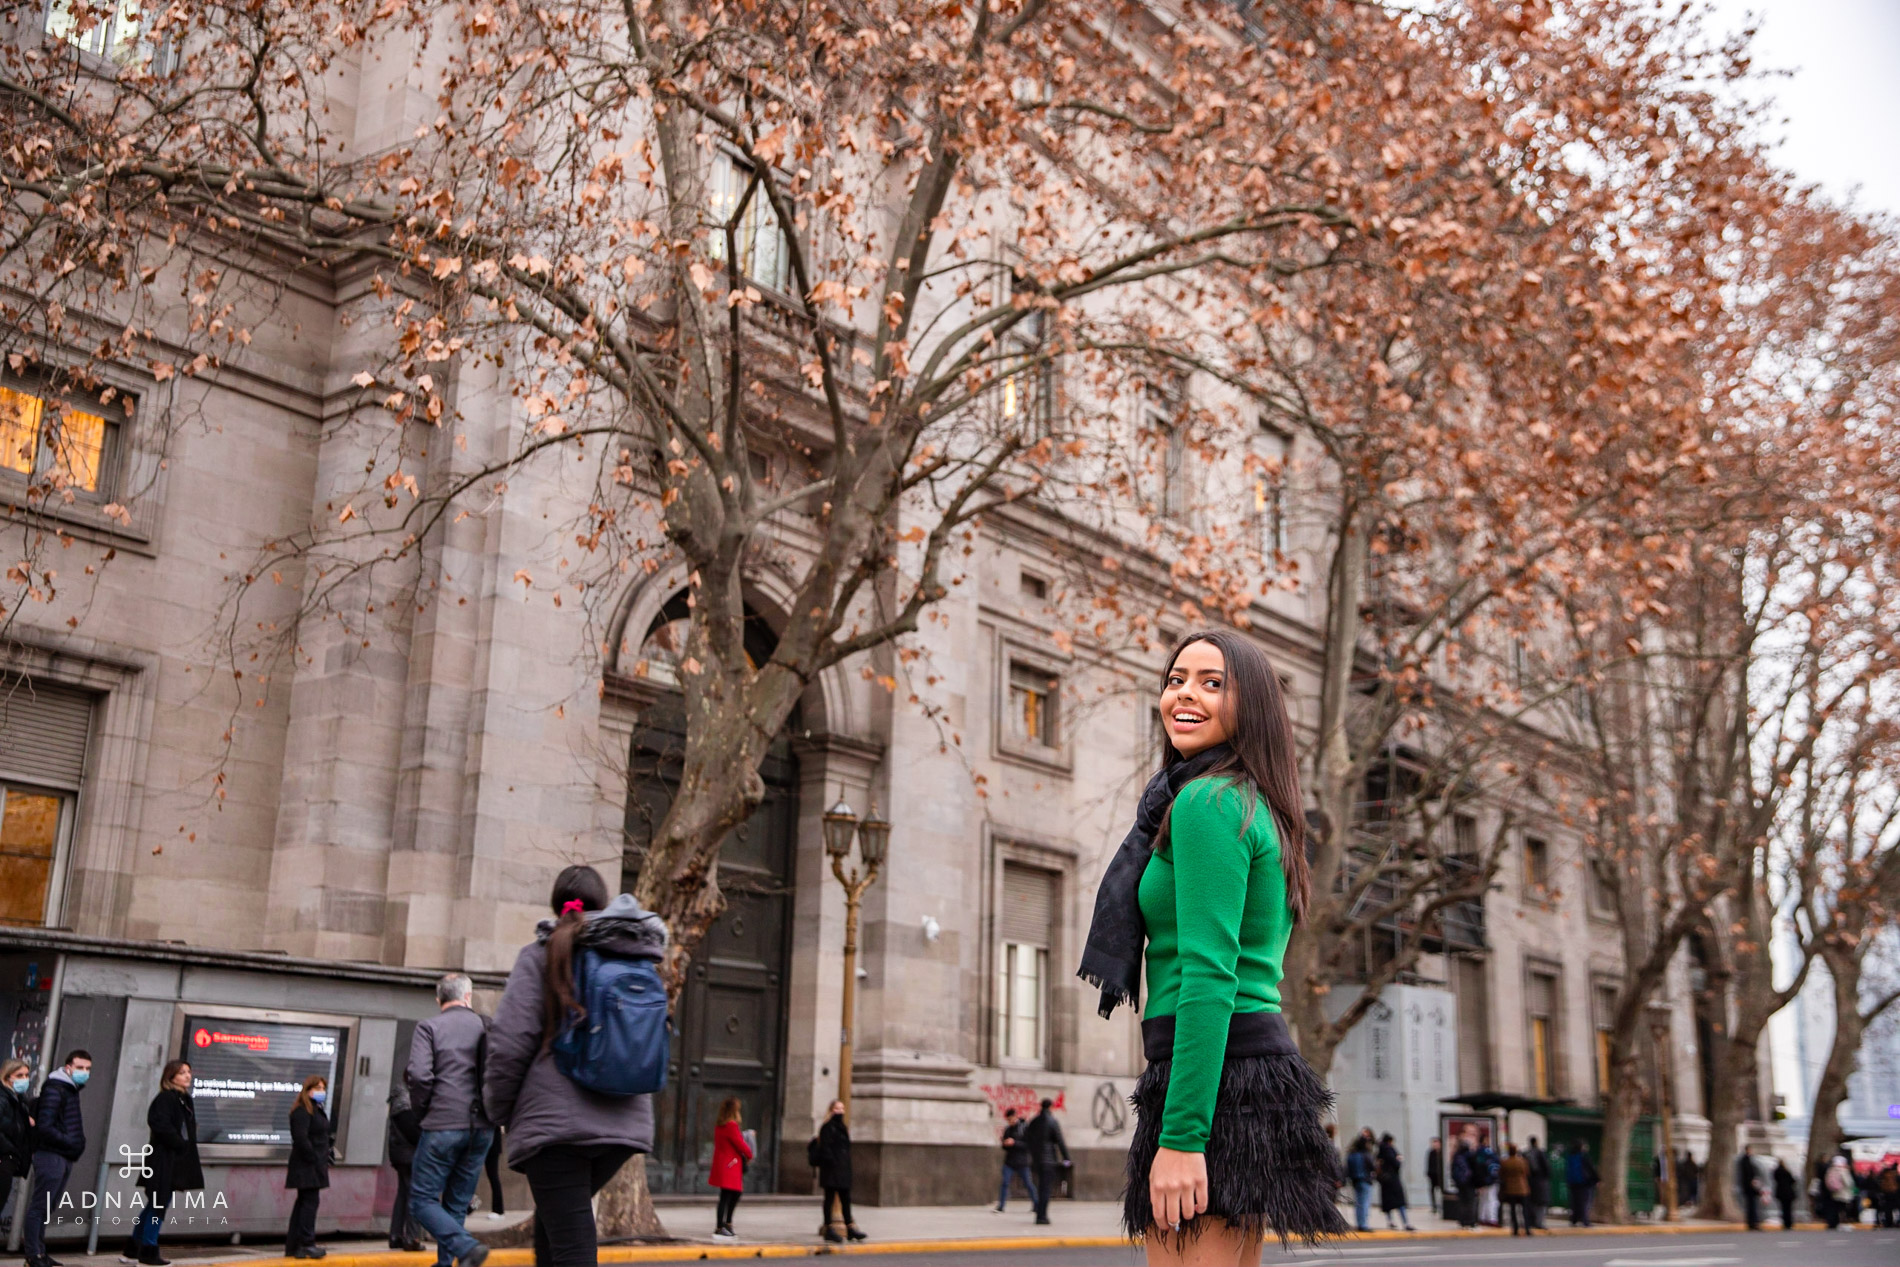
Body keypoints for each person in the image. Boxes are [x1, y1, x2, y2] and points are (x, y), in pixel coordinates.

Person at [1080, 631, 1347, 1262]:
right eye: (1175, 679)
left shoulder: (1206, 802)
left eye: (1211, 682)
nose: (1184, 695)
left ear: (1248, 704)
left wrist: (1182, 1135)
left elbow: (1208, 974)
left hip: (1214, 1079)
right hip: (1235, 1071)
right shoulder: (1248, 801)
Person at [484, 865, 666, 1267]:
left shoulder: (540, 955)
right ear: (604, 904)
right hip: (623, 1125)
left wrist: (498, 1109)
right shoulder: (635, 953)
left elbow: (510, 1043)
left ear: (556, 903)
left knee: (570, 1247)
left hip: (557, 1131)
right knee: (554, 1236)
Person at [407, 972, 495, 1267]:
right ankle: (448, 1263)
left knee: (421, 1200)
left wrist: (423, 1112)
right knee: (456, 1203)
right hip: (482, 1127)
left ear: (438, 999)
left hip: (442, 1124)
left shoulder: (429, 1027)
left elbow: (419, 1076)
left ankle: (465, 1246)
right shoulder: (485, 1025)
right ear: (467, 996)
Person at [120, 1060, 203, 1267]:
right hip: (162, 1160)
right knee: (158, 1205)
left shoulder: (184, 1099)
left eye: (188, 1072)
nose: (187, 1076)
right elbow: (160, 1125)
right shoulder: (166, 1098)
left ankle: (133, 1248)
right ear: (171, 1077)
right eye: (182, 1072)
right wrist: (179, 1143)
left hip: (174, 1161)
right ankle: (148, 1250)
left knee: (154, 1205)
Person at [25, 1049, 90, 1267]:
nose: (84, 1072)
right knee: (39, 1206)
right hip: (51, 1155)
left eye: (88, 1069)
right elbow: (45, 1126)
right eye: (80, 1068)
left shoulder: (70, 1089)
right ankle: (33, 1255)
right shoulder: (56, 1088)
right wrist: (70, 1142)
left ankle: (41, 1252)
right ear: (68, 1067)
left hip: (63, 1156)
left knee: (47, 1207)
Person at [286, 1075, 334, 1259]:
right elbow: (301, 1138)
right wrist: (314, 1157)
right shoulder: (302, 1111)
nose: (322, 1091)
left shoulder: (316, 1109)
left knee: (304, 1203)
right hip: (307, 1166)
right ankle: (306, 1242)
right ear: (308, 1090)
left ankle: (295, 1245)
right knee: (309, 1203)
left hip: (315, 1164)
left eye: (323, 1088)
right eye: (318, 1088)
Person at [812, 1100, 864, 1243]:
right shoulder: (827, 1127)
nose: (840, 1111)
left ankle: (850, 1227)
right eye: (837, 1108)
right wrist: (833, 1163)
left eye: (842, 1108)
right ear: (831, 1110)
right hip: (831, 1170)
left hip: (843, 1170)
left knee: (846, 1199)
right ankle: (828, 1228)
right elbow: (826, 1149)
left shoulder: (843, 1127)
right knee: (829, 1199)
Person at [386, 1076, 424, 1251]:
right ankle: (412, 1238)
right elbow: (413, 1133)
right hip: (409, 1155)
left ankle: (396, 1235)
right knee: (414, 1195)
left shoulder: (398, 1099)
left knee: (403, 1194)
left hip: (400, 1154)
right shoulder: (405, 1102)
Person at [708, 1097, 752, 1240]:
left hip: (724, 1164)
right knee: (730, 1195)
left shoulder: (719, 1125)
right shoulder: (731, 1126)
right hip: (730, 1165)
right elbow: (740, 1143)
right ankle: (723, 1225)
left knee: (727, 1195)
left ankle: (724, 1224)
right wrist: (749, 1154)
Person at [1024, 1099, 1071, 1227]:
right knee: (1046, 1188)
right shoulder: (1052, 1121)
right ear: (1050, 1107)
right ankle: (1042, 1216)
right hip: (1049, 1160)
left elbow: (1027, 1138)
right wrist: (1067, 1158)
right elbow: (1060, 1141)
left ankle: (1039, 1213)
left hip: (1037, 1160)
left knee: (1040, 1187)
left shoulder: (1034, 1121)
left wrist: (1033, 1153)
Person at [995, 1108, 1037, 1213]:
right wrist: (1005, 1143)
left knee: (1028, 1183)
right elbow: (1005, 1147)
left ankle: (1036, 1204)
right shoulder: (1008, 1129)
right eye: (1008, 1120)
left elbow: (1028, 1145)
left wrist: (1014, 1143)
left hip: (1022, 1162)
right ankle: (1001, 1206)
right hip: (1009, 1162)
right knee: (1005, 1183)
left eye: (1011, 1119)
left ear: (1015, 1116)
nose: (1010, 1121)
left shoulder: (1024, 1128)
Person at [1376, 1134, 1413, 1231]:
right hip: (1393, 1179)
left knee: (1388, 1202)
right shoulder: (1390, 1150)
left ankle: (1390, 1221)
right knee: (1400, 1202)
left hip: (1384, 1180)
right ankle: (1406, 1223)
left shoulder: (1380, 1151)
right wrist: (1399, 1160)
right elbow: (1396, 1163)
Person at [1499, 1143, 1530, 1236]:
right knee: (1525, 1210)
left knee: (1513, 1211)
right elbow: (1527, 1173)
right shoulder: (1522, 1161)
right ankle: (1527, 1228)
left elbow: (1501, 1174)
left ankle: (1515, 1228)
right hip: (1522, 1188)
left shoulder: (1505, 1162)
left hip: (1510, 1189)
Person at [1566, 1142, 1599, 1228]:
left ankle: (1574, 1220)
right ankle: (1585, 1220)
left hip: (1573, 1183)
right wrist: (1597, 1179)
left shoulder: (1571, 1156)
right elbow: (1591, 1168)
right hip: (1584, 1183)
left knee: (1575, 1202)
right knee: (1585, 1202)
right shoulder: (1584, 1156)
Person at [1345, 1137, 1374, 1231]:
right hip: (1365, 1179)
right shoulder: (1365, 1154)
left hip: (1355, 1181)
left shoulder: (1351, 1155)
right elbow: (1372, 1166)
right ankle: (1364, 1224)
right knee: (1365, 1203)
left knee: (1358, 1203)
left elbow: (1347, 1169)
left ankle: (1360, 1223)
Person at [1523, 1136, 1550, 1231]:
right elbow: (1547, 1168)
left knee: (1531, 1203)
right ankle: (1539, 1222)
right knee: (1541, 1203)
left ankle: (1531, 1221)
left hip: (1529, 1181)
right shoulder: (1540, 1153)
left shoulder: (1525, 1153)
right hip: (1540, 1181)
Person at [1450, 1136, 1477, 1228]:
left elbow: (1453, 1170)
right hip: (1470, 1182)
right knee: (1471, 1201)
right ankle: (1471, 1220)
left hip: (1460, 1183)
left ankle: (1462, 1220)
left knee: (1462, 1202)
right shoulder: (1471, 1155)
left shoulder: (1456, 1156)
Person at [1736, 1145, 1763, 1231]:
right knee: (1752, 1206)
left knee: (1752, 1205)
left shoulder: (1747, 1160)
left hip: (1749, 1187)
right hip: (1749, 1187)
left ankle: (1752, 1223)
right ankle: (1753, 1223)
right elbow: (1747, 1175)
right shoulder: (1745, 1161)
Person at [1475, 1135, 1501, 1227]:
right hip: (1490, 1180)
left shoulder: (1477, 1152)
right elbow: (1495, 1165)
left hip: (1481, 1180)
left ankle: (1482, 1217)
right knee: (1492, 1200)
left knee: (1483, 1200)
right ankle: (1492, 1219)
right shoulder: (1488, 1153)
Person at [483, 1130, 507, 1216]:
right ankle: (469, 1206)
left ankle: (498, 1210)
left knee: (493, 1176)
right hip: (483, 1142)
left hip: (492, 1145)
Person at [1772, 1158, 1798, 1230]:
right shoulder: (1786, 1171)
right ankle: (1789, 1223)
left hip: (1780, 1192)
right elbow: (1792, 1180)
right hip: (1788, 1192)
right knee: (1788, 1209)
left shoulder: (1776, 1171)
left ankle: (1784, 1223)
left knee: (1783, 1208)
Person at [1873, 1162, 1899, 1228]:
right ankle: (1896, 1222)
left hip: (1887, 1196)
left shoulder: (1883, 1178)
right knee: (1894, 1209)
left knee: (1888, 1210)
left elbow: (1879, 1187)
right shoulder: (1895, 1177)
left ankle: (1889, 1223)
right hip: (1895, 1195)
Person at [1425, 1137, 1443, 1217]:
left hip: (1440, 1175)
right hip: (1433, 1175)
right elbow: (1429, 1163)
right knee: (1432, 1190)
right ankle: (1434, 1206)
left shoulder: (1442, 1153)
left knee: (1441, 1190)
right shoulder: (1431, 1152)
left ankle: (1441, 1205)